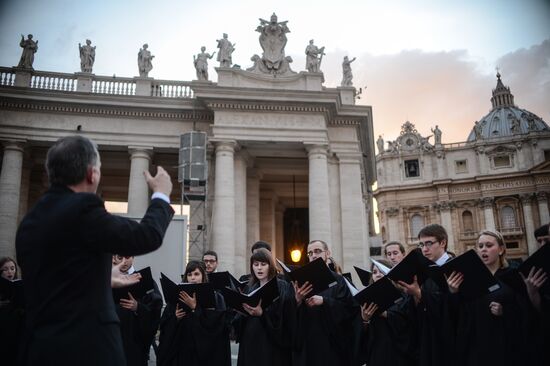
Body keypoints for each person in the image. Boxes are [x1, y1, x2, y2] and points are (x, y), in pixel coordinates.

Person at [15, 135, 174, 366]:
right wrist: (161, 195)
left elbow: (58, 278)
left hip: (40, 347)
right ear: (92, 174)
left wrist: (103, 277)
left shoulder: (30, 222)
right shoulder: (83, 208)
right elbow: (145, 236)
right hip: (86, 348)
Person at [449, 230, 535, 366]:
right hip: (477, 347)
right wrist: (454, 293)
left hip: (506, 347)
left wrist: (505, 311)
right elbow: (461, 314)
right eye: (481, 246)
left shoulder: (514, 275)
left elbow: (526, 312)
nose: (484, 250)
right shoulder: (470, 279)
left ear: (501, 249)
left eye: (489, 246)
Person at [397, 224, 456, 366]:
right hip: (426, 339)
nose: (424, 249)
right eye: (421, 244)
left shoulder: (454, 267)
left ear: (443, 243)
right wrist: (414, 296)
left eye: (429, 243)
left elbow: (453, 308)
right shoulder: (423, 271)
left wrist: (419, 293)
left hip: (449, 341)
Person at [292, 240, 357, 366]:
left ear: (327, 253)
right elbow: (290, 316)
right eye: (310, 253)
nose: (313, 255)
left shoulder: (339, 281)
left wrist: (324, 301)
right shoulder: (301, 282)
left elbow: (350, 309)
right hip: (308, 345)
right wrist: (297, 300)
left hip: (332, 346)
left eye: (317, 251)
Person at [157, 260, 231, 366]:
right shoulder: (178, 295)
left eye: (196, 274)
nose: (192, 278)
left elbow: (218, 327)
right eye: (189, 274)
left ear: (203, 276)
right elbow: (165, 326)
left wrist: (195, 308)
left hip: (203, 355)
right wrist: (175, 318)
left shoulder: (215, 297)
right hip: (182, 351)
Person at [233, 248, 296, 366]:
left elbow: (285, 318)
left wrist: (262, 314)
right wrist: (240, 310)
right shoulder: (249, 287)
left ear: (270, 266)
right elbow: (239, 322)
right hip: (250, 341)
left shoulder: (282, 287)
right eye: (256, 264)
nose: (259, 268)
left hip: (270, 343)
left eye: (263, 264)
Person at [356, 258, 417, 366]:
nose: (378, 275)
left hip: (398, 353)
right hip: (377, 352)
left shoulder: (403, 295)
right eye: (374, 272)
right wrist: (365, 319)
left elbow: (409, 322)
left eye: (381, 271)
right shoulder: (367, 298)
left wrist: (386, 314)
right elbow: (362, 333)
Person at [113, 255, 163, 366]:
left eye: (127, 257)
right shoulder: (106, 280)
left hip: (134, 345)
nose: (124, 262)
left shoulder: (143, 280)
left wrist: (138, 308)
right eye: (120, 257)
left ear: (133, 256)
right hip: (110, 342)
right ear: (113, 257)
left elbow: (155, 310)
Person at [0, 257, 25, 366]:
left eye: (12, 268)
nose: (10, 272)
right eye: (5, 269)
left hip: (17, 329)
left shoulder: (20, 285)